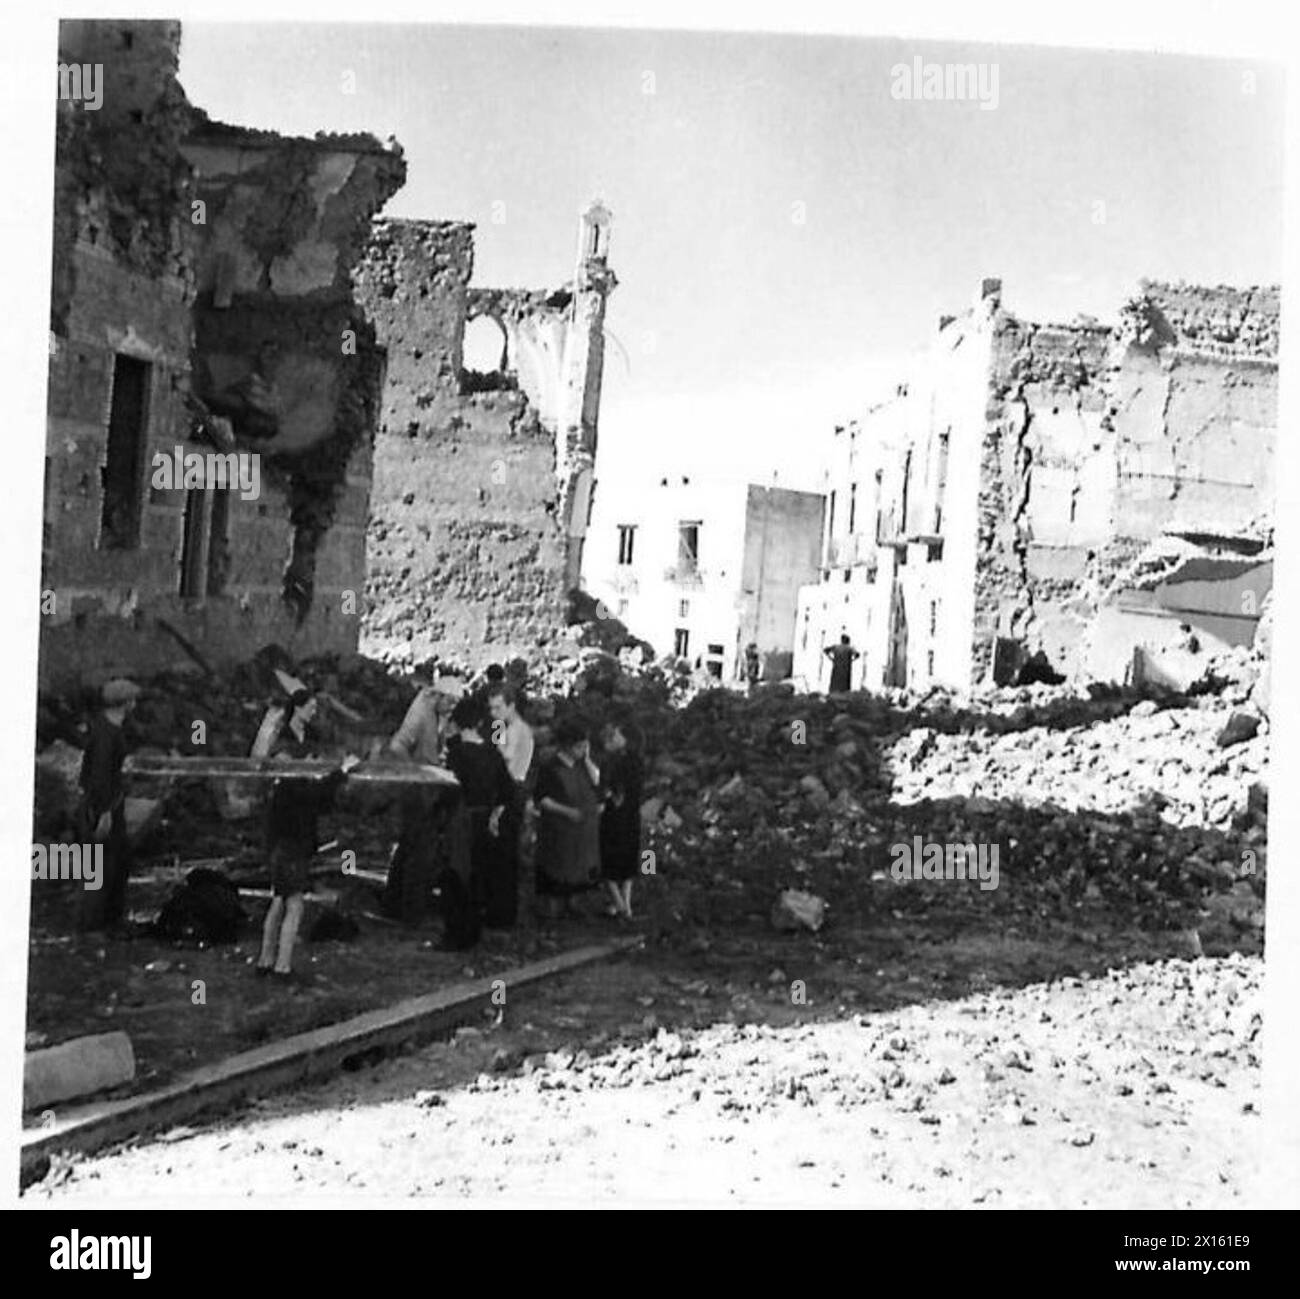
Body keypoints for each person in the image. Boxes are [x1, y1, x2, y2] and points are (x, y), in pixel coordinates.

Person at [252, 688, 359, 979]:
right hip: (287, 830)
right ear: (297, 708)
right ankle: (282, 966)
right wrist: (341, 773)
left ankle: (265, 960)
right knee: (294, 901)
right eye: (309, 707)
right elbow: (305, 789)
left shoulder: (304, 740)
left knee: (279, 898)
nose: (313, 712)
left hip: (294, 828)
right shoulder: (285, 746)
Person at [383, 670, 464, 925]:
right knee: (420, 850)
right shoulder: (420, 713)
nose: (452, 708)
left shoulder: (439, 712)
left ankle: (394, 904)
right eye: (449, 702)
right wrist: (417, 773)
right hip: (417, 786)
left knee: (409, 846)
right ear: (439, 696)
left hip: (429, 783)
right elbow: (397, 746)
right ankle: (411, 912)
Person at [445, 695, 518, 932]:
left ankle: (463, 923)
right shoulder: (492, 753)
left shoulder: (456, 754)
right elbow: (508, 790)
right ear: (479, 723)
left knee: (461, 870)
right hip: (487, 816)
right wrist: (496, 815)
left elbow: (449, 789)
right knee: (484, 870)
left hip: (462, 817)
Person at [78, 678, 140, 934]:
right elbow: (99, 777)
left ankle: (109, 919)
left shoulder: (109, 729)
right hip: (101, 807)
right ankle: (94, 922)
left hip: (110, 804)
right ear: (126, 703)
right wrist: (104, 813)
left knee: (116, 863)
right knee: (100, 865)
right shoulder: (106, 735)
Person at [534, 717, 601, 915]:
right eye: (579, 747)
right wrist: (567, 811)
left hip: (581, 832)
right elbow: (543, 798)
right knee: (556, 870)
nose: (582, 750)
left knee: (579, 871)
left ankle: (574, 904)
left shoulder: (582, 766)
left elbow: (597, 780)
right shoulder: (550, 768)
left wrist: (587, 759)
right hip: (558, 829)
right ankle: (552, 909)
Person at [598, 718, 644, 920]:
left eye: (617, 735)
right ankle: (626, 905)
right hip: (632, 817)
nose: (613, 738)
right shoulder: (638, 761)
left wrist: (606, 796)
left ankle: (620, 905)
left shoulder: (615, 762)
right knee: (628, 865)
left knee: (610, 863)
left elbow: (611, 791)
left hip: (615, 818)